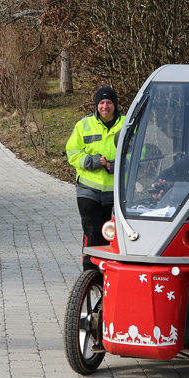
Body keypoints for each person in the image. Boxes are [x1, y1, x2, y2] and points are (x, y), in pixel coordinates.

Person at [66, 85, 123, 268]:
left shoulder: (127, 124)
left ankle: (108, 270)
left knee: (112, 233)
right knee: (93, 231)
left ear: (115, 105)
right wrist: (94, 162)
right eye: (101, 102)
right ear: (96, 105)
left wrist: (117, 165)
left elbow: (140, 152)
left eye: (109, 102)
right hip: (88, 190)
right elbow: (72, 153)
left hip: (115, 191)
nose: (105, 106)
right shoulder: (84, 125)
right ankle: (89, 272)